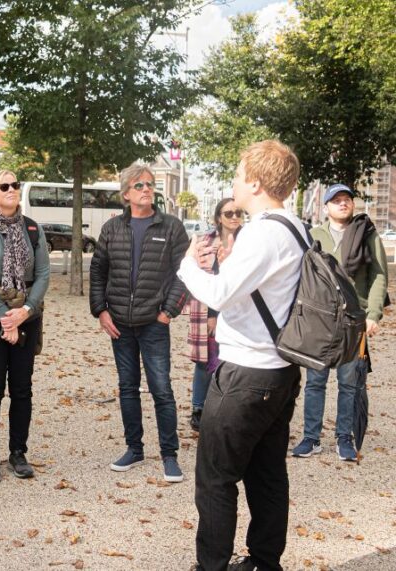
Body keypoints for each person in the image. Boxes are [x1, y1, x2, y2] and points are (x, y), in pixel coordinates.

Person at [178, 140, 305, 571]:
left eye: (236, 172)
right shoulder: (295, 226)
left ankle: (210, 566)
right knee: (267, 474)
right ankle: (265, 562)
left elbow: (219, 293)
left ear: (254, 181)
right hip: (280, 370)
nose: (233, 180)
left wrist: (187, 265)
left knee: (215, 477)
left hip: (247, 373)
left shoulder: (264, 230)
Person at [89, 164, 189, 482]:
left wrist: (168, 312)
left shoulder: (171, 227)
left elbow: (183, 274)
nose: (146, 189)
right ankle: (134, 448)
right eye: (139, 185)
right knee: (127, 388)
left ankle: (169, 455)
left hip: (154, 323)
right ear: (126, 194)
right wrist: (100, 311)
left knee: (161, 389)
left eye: (150, 184)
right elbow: (98, 271)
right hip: (120, 323)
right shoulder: (112, 229)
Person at [291, 183, 388, 461]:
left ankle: (344, 436)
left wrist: (373, 314)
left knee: (348, 382)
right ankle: (311, 437)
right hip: (320, 320)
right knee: (315, 381)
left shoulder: (367, 234)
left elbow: (379, 275)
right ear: (326, 207)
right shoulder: (313, 235)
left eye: (347, 199)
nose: (343, 204)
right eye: (336, 200)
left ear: (352, 204)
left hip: (354, 319)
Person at [0, 170, 50, 483]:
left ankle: (18, 452)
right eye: (5, 185)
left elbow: (43, 275)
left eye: (16, 184)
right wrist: (5, 314)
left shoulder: (33, 229)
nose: (12, 189)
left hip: (27, 317)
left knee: (22, 388)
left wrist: (24, 312)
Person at [187, 198, 243, 431]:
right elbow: (202, 279)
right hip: (208, 310)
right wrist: (212, 315)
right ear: (219, 217)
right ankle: (199, 408)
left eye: (238, 212)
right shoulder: (204, 242)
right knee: (206, 361)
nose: (233, 217)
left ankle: (228, 409)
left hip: (239, 311)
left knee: (235, 363)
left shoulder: (251, 242)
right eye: (228, 213)